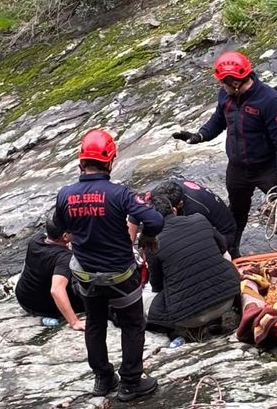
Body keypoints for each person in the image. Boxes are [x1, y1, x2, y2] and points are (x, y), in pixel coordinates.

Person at [172, 50, 277, 283]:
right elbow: (218, 121)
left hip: (267, 168)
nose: (221, 86)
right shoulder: (226, 96)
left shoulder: (270, 101)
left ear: (235, 82)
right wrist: (199, 136)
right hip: (238, 168)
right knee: (236, 213)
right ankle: (232, 254)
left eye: (224, 82)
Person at [53, 128, 164, 402]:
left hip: (86, 277)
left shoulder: (65, 194)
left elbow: (59, 226)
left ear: (81, 161)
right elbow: (156, 220)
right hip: (120, 275)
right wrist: (147, 236)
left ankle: (103, 379)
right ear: (110, 161)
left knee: (95, 324)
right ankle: (130, 383)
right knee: (132, 324)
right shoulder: (120, 194)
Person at [144, 196, 240, 334]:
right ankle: (230, 314)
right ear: (174, 210)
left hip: (189, 318)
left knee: (152, 304)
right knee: (225, 259)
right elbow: (223, 247)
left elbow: (157, 285)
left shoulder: (152, 243)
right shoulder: (200, 219)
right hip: (226, 301)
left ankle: (183, 333)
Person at [14, 220, 85, 331]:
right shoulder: (64, 257)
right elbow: (56, 290)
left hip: (23, 298)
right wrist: (74, 322)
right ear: (65, 236)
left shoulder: (36, 239)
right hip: (43, 308)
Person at [149, 178, 236, 257]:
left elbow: (194, 235)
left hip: (223, 234)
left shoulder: (194, 209)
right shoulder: (166, 190)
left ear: (180, 205)